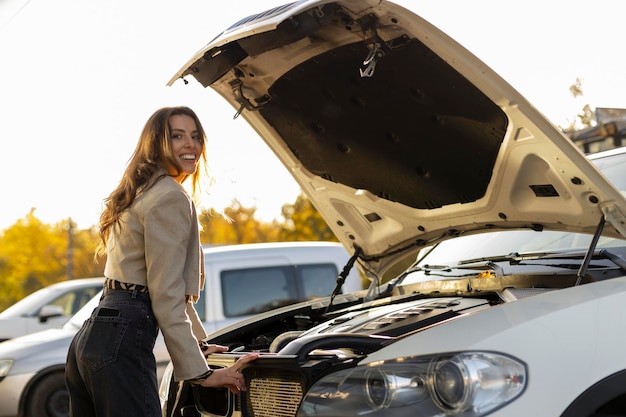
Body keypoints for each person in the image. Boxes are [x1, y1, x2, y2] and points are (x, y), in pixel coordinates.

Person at [65, 106, 258, 417]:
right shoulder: (170, 196)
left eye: (195, 136)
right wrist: (203, 374)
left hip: (91, 338)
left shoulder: (138, 192)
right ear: (156, 143)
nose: (190, 145)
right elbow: (165, 294)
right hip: (121, 339)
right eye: (177, 136)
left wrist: (201, 347)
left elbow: (169, 291)